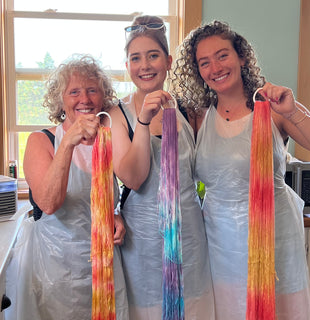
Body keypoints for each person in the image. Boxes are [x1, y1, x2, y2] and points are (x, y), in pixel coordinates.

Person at [170, 20, 310, 320]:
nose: (215, 67)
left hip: (274, 239)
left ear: (241, 56)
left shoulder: (272, 107)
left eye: (222, 55)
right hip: (220, 244)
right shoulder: (197, 117)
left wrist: (292, 112)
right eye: (204, 62)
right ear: (197, 71)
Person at [5, 55, 129, 320]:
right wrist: (68, 143)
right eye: (74, 92)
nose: (84, 99)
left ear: (103, 96)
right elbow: (49, 203)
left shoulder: (109, 139)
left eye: (92, 90)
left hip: (104, 266)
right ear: (60, 100)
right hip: (55, 267)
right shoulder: (42, 141)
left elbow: (114, 188)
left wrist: (115, 212)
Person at [108, 15, 215, 319]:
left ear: (168, 61)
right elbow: (133, 177)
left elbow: (208, 167)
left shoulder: (188, 109)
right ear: (127, 65)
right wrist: (143, 120)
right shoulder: (118, 114)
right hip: (141, 241)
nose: (145, 65)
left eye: (153, 56)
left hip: (189, 235)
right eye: (135, 58)